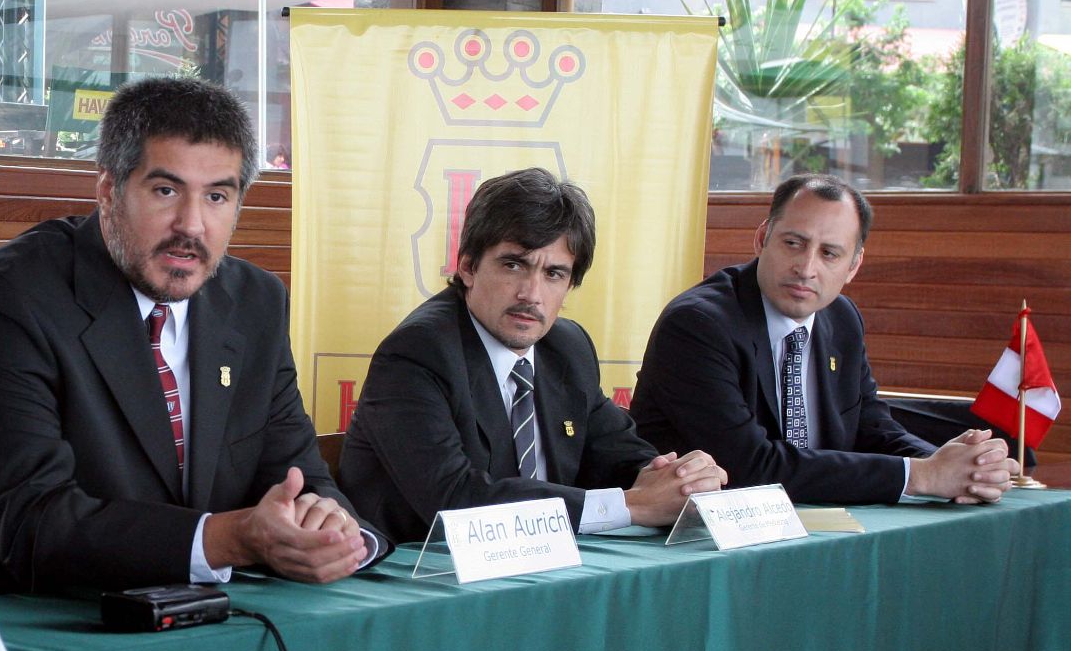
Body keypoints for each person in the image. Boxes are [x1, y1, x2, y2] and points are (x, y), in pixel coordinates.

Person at [0, 76, 383, 596]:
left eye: (218, 196)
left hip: (188, 611)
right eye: (166, 190)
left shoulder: (254, 303)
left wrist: (330, 530)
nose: (192, 225)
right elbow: (35, 527)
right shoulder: (9, 298)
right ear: (109, 191)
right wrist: (233, 540)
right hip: (3, 622)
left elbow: (298, 478)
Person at [339, 167, 726, 542]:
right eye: (514, 264)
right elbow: (456, 500)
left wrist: (675, 479)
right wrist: (629, 507)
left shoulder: (567, 347)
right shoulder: (417, 353)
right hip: (423, 579)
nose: (531, 293)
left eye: (554, 274)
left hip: (541, 568)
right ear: (469, 266)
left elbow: (618, 453)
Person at [630, 173, 1018, 504]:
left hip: (812, 523)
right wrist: (922, 476)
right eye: (793, 243)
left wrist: (959, 466)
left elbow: (872, 429)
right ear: (762, 238)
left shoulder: (841, 319)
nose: (806, 268)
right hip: (699, 535)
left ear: (854, 266)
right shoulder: (699, 324)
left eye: (829, 253)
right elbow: (750, 467)